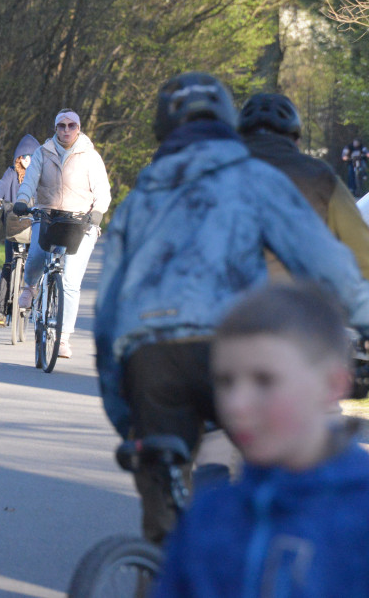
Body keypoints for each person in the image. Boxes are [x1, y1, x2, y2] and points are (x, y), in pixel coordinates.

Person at [95, 71, 369, 544]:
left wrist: (125, 413)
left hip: (148, 358)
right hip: (230, 345)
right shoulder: (254, 179)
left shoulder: (140, 199)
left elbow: (107, 313)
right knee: (266, 458)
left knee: (164, 519)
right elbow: (332, 264)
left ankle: (164, 558)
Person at [153, 283, 369, 597]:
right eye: (225, 381)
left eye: (265, 380)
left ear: (333, 384)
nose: (237, 404)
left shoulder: (359, 516)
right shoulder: (209, 516)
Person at [239, 93, 369, 280]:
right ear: (296, 139)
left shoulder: (213, 176)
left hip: (231, 305)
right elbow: (362, 257)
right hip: (304, 301)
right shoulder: (321, 178)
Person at [14, 110, 110, 359]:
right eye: (61, 126)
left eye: (71, 125)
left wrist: (98, 211)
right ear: (55, 128)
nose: (66, 130)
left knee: (70, 281)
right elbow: (29, 180)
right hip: (47, 215)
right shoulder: (42, 153)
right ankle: (30, 286)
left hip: (81, 220)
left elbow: (102, 189)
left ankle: (64, 337)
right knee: (35, 256)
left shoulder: (91, 156)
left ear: (79, 127)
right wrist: (23, 199)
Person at [0, 133, 40, 326]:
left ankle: (37, 306)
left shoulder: (40, 175)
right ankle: (0, 310)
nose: (27, 160)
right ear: (18, 158)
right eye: (24, 157)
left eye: (31, 157)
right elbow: (1, 186)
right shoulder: (11, 173)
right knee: (9, 264)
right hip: (13, 226)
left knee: (38, 263)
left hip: (34, 226)